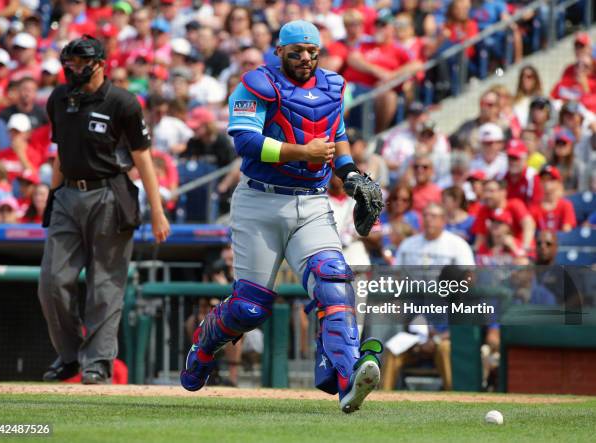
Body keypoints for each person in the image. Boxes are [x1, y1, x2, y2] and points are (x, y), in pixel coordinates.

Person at [181, 21, 384, 414]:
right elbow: (246, 141)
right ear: (280, 51)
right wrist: (301, 152)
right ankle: (204, 345)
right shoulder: (257, 83)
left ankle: (347, 379)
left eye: (312, 51)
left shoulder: (333, 85)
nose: (305, 58)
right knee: (249, 308)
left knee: (334, 281)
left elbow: (335, 135)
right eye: (297, 51)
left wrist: (351, 174)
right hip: (260, 201)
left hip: (311, 201)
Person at [38, 36, 170, 385]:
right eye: (72, 63)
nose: (76, 69)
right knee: (52, 281)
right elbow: (59, 153)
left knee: (105, 285)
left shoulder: (122, 102)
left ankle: (97, 362)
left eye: (83, 63)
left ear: (101, 64)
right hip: (68, 193)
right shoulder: (58, 99)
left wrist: (157, 210)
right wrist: (52, 196)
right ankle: (69, 357)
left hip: (109, 194)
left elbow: (143, 157)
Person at [395, 202, 475, 266]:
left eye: (433, 216)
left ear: (443, 220)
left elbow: (469, 275)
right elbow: (397, 274)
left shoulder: (458, 245)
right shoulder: (408, 244)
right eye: (425, 216)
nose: (428, 219)